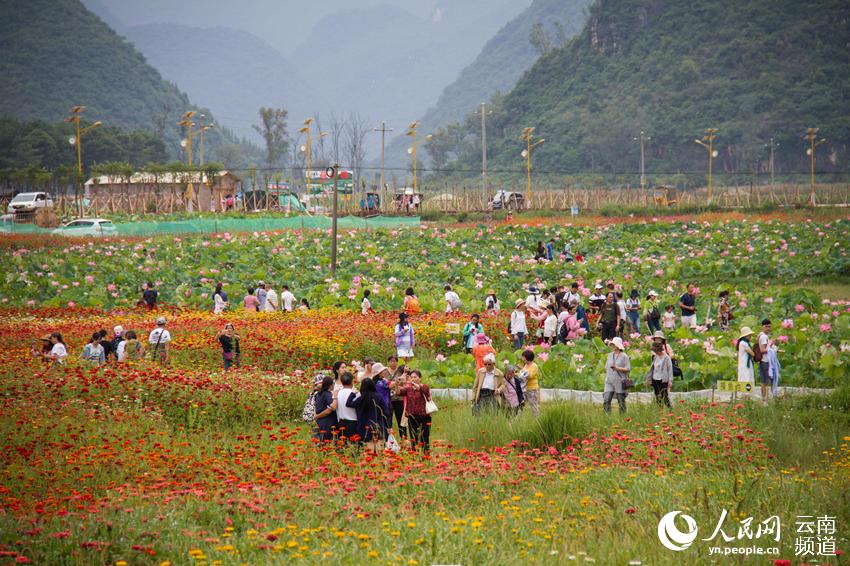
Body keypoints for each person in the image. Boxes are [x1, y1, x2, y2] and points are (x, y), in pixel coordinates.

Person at [346, 377, 383, 451]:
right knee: (377, 449)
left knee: (365, 450)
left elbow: (348, 404)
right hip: (376, 426)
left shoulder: (360, 399)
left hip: (362, 427)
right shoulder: (378, 397)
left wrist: (352, 393)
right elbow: (386, 411)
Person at [400, 369, 432, 453]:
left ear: (420, 378)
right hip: (412, 416)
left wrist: (419, 388)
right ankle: (414, 454)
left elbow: (428, 396)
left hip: (424, 416)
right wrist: (397, 384)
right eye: (412, 377)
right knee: (413, 437)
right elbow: (399, 392)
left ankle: (426, 454)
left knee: (424, 437)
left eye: (415, 377)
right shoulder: (408, 388)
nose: (413, 379)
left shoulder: (424, 386)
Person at [603, 337, 630, 414]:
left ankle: (623, 417)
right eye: (612, 344)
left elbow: (628, 368)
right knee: (606, 399)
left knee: (621, 401)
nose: (612, 346)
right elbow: (606, 367)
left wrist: (618, 368)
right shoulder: (610, 355)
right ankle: (607, 416)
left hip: (620, 381)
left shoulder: (624, 356)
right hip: (609, 381)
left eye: (614, 344)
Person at [311, 374, 338, 443]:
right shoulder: (328, 395)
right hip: (327, 422)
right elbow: (329, 410)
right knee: (326, 442)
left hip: (320, 422)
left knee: (320, 441)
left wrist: (317, 416)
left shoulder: (318, 394)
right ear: (330, 385)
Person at [646, 341, 673, 407]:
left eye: (656, 351)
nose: (655, 352)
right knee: (657, 396)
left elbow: (670, 370)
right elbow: (652, 368)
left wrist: (670, 381)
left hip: (663, 380)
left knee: (665, 396)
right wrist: (649, 379)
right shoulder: (655, 357)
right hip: (655, 379)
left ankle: (670, 410)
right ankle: (660, 410)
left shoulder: (666, 358)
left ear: (659, 350)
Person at [335, 372, 359, 443]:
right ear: (352, 381)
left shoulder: (338, 393)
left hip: (341, 422)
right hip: (352, 423)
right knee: (353, 446)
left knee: (342, 447)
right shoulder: (355, 393)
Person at [520, 349, 540, 417]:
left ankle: (537, 420)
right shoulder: (526, 365)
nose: (522, 358)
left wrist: (522, 369)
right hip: (525, 388)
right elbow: (522, 375)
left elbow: (530, 375)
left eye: (523, 357)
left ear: (527, 357)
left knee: (534, 405)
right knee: (521, 404)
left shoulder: (534, 366)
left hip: (533, 388)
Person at [736, 326, 756, 393]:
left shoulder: (742, 343)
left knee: (745, 377)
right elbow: (752, 354)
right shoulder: (744, 343)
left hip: (743, 363)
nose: (750, 337)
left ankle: (745, 394)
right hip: (745, 364)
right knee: (746, 377)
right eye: (749, 335)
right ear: (745, 336)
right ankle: (746, 394)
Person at [757, 319, 772, 403]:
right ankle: (765, 399)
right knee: (765, 381)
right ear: (762, 327)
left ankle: (764, 400)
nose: (768, 328)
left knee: (763, 381)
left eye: (769, 327)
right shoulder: (764, 337)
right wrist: (771, 349)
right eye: (766, 326)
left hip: (762, 361)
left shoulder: (760, 335)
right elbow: (762, 350)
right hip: (765, 361)